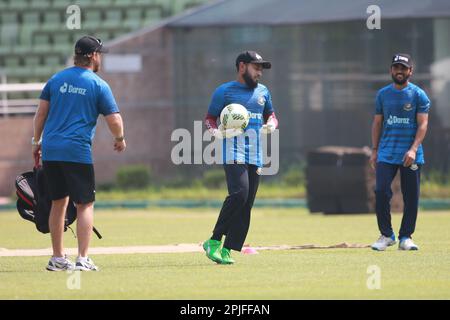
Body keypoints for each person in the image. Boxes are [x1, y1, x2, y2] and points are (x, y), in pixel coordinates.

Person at [32, 36, 126, 271]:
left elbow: (41, 114)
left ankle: (57, 258)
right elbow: (114, 119)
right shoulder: (98, 84)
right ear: (93, 56)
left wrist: (36, 142)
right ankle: (82, 259)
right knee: (84, 204)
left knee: (58, 203)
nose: (100, 58)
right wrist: (120, 139)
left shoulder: (56, 79)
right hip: (76, 152)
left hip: (52, 150)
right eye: (100, 54)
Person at [203, 51, 278, 264]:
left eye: (261, 69)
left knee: (247, 205)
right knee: (239, 194)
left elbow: (271, 114)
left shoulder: (264, 92)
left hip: (256, 155)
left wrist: (272, 124)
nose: (260, 73)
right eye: (256, 68)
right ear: (242, 67)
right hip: (233, 152)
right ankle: (214, 241)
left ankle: (227, 250)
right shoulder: (224, 91)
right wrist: (216, 132)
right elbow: (210, 118)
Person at [370, 53, 430, 251]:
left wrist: (413, 149)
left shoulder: (418, 95)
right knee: (380, 191)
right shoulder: (383, 94)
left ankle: (406, 237)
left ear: (410, 71)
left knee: (411, 196)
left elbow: (423, 125)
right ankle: (387, 235)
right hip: (386, 153)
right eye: (396, 67)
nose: (399, 71)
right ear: (391, 70)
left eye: (403, 68)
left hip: (410, 155)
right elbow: (377, 123)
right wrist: (375, 150)